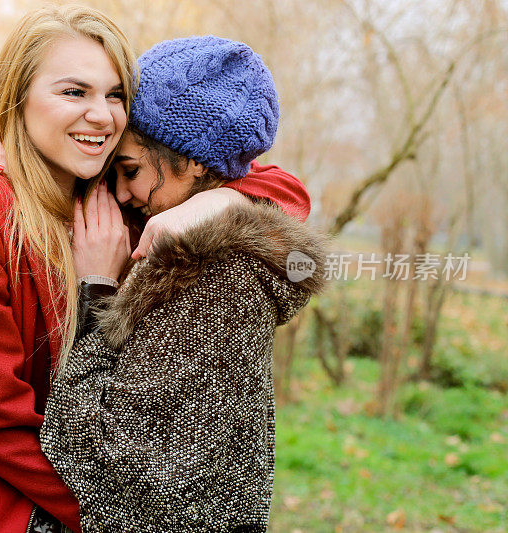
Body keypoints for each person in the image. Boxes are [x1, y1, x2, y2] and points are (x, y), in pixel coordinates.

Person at [0, 6, 311, 533]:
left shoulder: (127, 201)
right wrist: (112, 516)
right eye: (75, 92)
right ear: (19, 98)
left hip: (108, 487)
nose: (102, 115)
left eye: (115, 95)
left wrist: (218, 205)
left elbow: (283, 193)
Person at [37, 36, 328, 532]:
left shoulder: (209, 278)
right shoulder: (211, 234)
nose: (122, 192)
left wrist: (97, 288)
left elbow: (92, 447)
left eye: (130, 171)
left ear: (194, 162)